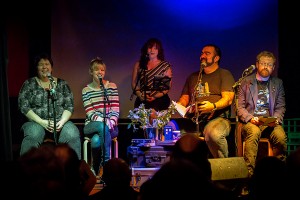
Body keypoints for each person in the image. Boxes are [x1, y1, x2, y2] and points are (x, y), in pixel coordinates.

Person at [18, 53, 81, 159]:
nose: (44, 67)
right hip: (36, 122)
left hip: (60, 122)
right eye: (41, 64)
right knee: (33, 134)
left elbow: (69, 106)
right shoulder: (29, 84)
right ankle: (26, 170)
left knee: (72, 133)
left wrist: (62, 122)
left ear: (51, 68)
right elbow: (23, 106)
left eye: (47, 64)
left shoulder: (63, 84)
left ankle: (74, 170)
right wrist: (42, 122)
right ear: (36, 68)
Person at [177, 44, 235, 158]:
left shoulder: (224, 74)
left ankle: (222, 168)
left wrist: (212, 106)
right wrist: (179, 105)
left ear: (216, 58)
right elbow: (185, 98)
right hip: (195, 119)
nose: (203, 55)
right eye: (202, 53)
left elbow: (228, 99)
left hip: (219, 118)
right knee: (173, 132)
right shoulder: (193, 77)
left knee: (213, 133)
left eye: (207, 53)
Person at [237, 50, 287, 178]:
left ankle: (280, 174)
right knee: (254, 133)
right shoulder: (246, 82)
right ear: (257, 64)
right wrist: (250, 118)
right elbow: (240, 107)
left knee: (280, 137)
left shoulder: (278, 83)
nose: (266, 67)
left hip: (270, 122)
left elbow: (281, 106)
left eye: (269, 65)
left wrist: (275, 119)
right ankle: (249, 177)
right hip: (251, 121)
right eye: (263, 63)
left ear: (273, 67)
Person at [82, 57, 120, 176]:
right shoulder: (86, 90)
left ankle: (95, 167)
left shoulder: (112, 86)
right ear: (91, 72)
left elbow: (115, 109)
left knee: (96, 141)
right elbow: (90, 112)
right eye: (97, 70)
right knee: (100, 127)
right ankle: (107, 165)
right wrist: (103, 123)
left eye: (102, 70)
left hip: (111, 126)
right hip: (92, 125)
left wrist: (110, 123)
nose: (100, 72)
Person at [131, 38, 173, 116]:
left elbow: (167, 87)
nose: (152, 50)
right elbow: (134, 83)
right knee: (142, 122)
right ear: (146, 49)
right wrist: (140, 95)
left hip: (159, 99)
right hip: (142, 98)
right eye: (150, 47)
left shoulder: (165, 66)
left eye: (155, 48)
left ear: (159, 50)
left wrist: (154, 96)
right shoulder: (139, 64)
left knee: (153, 117)